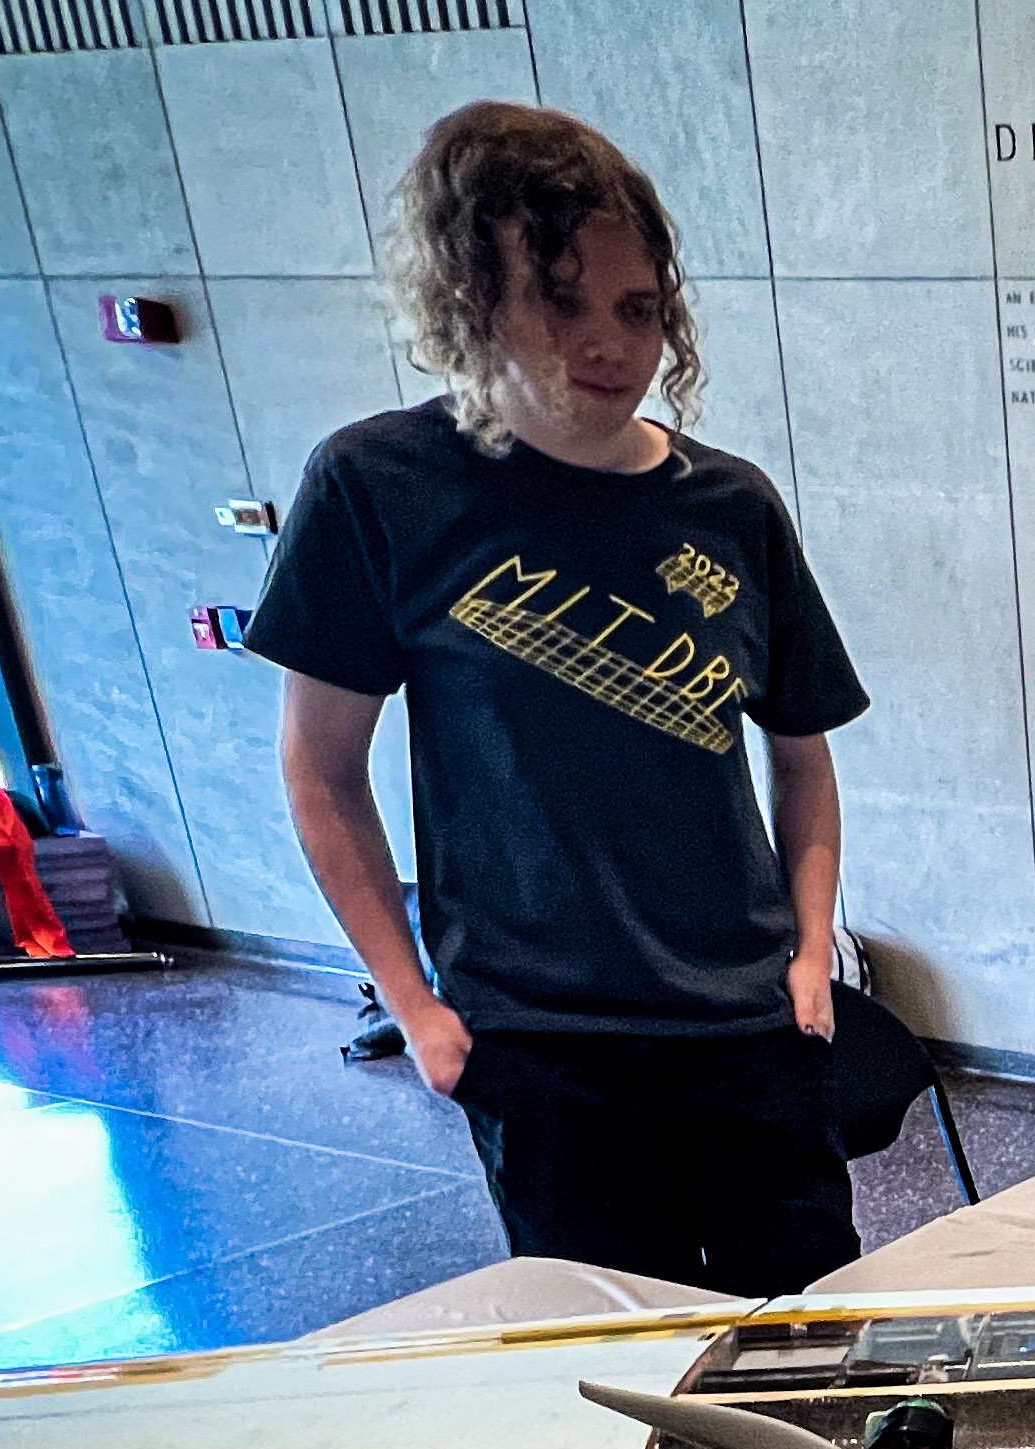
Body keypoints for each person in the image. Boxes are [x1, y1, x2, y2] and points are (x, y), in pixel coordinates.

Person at [248, 101, 869, 1296]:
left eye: (639, 310)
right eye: (562, 300)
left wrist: (806, 954)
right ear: (473, 301)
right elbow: (321, 775)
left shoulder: (728, 506)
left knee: (804, 1335)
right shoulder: (380, 487)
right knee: (605, 1351)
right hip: (538, 1038)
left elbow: (803, 754)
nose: (609, 345)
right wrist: (414, 1003)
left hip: (743, 1021)